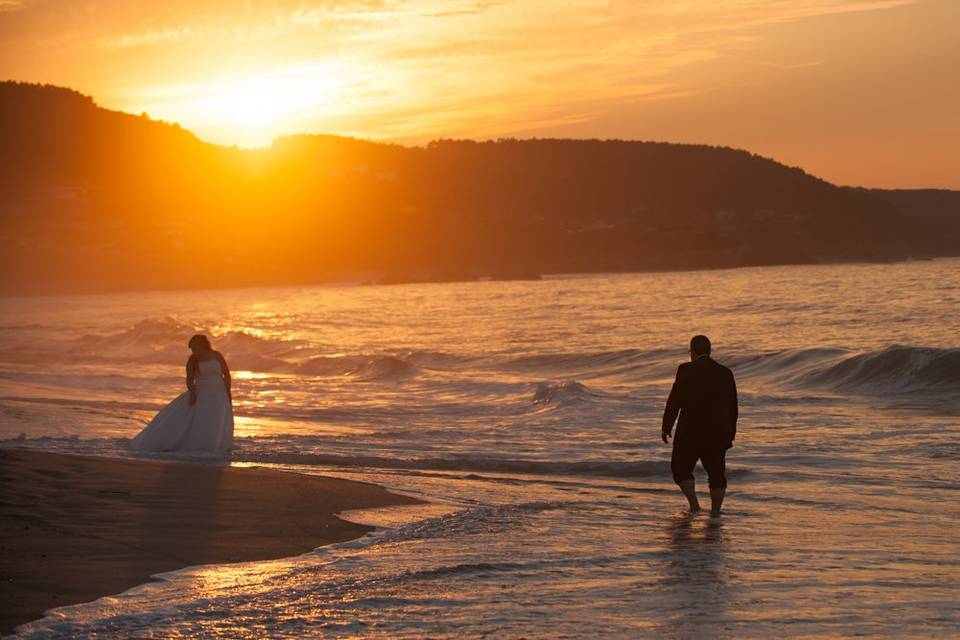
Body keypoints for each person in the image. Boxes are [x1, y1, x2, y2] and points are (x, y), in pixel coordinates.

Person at [661, 335, 738, 515]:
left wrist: (667, 426)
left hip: (690, 431)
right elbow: (733, 406)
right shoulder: (725, 372)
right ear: (709, 351)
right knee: (717, 475)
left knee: (680, 468)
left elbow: (674, 400)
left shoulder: (685, 370)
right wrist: (730, 434)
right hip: (717, 432)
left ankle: (694, 506)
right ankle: (715, 513)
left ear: (693, 352)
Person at [131, 334, 234, 453]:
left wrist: (227, 393)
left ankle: (214, 446)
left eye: (196, 348)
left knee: (217, 420)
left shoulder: (216, 355)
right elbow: (190, 381)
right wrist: (193, 394)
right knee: (202, 420)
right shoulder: (192, 361)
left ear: (203, 345)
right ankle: (199, 446)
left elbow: (226, 375)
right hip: (202, 393)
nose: (194, 351)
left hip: (219, 393)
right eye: (192, 349)